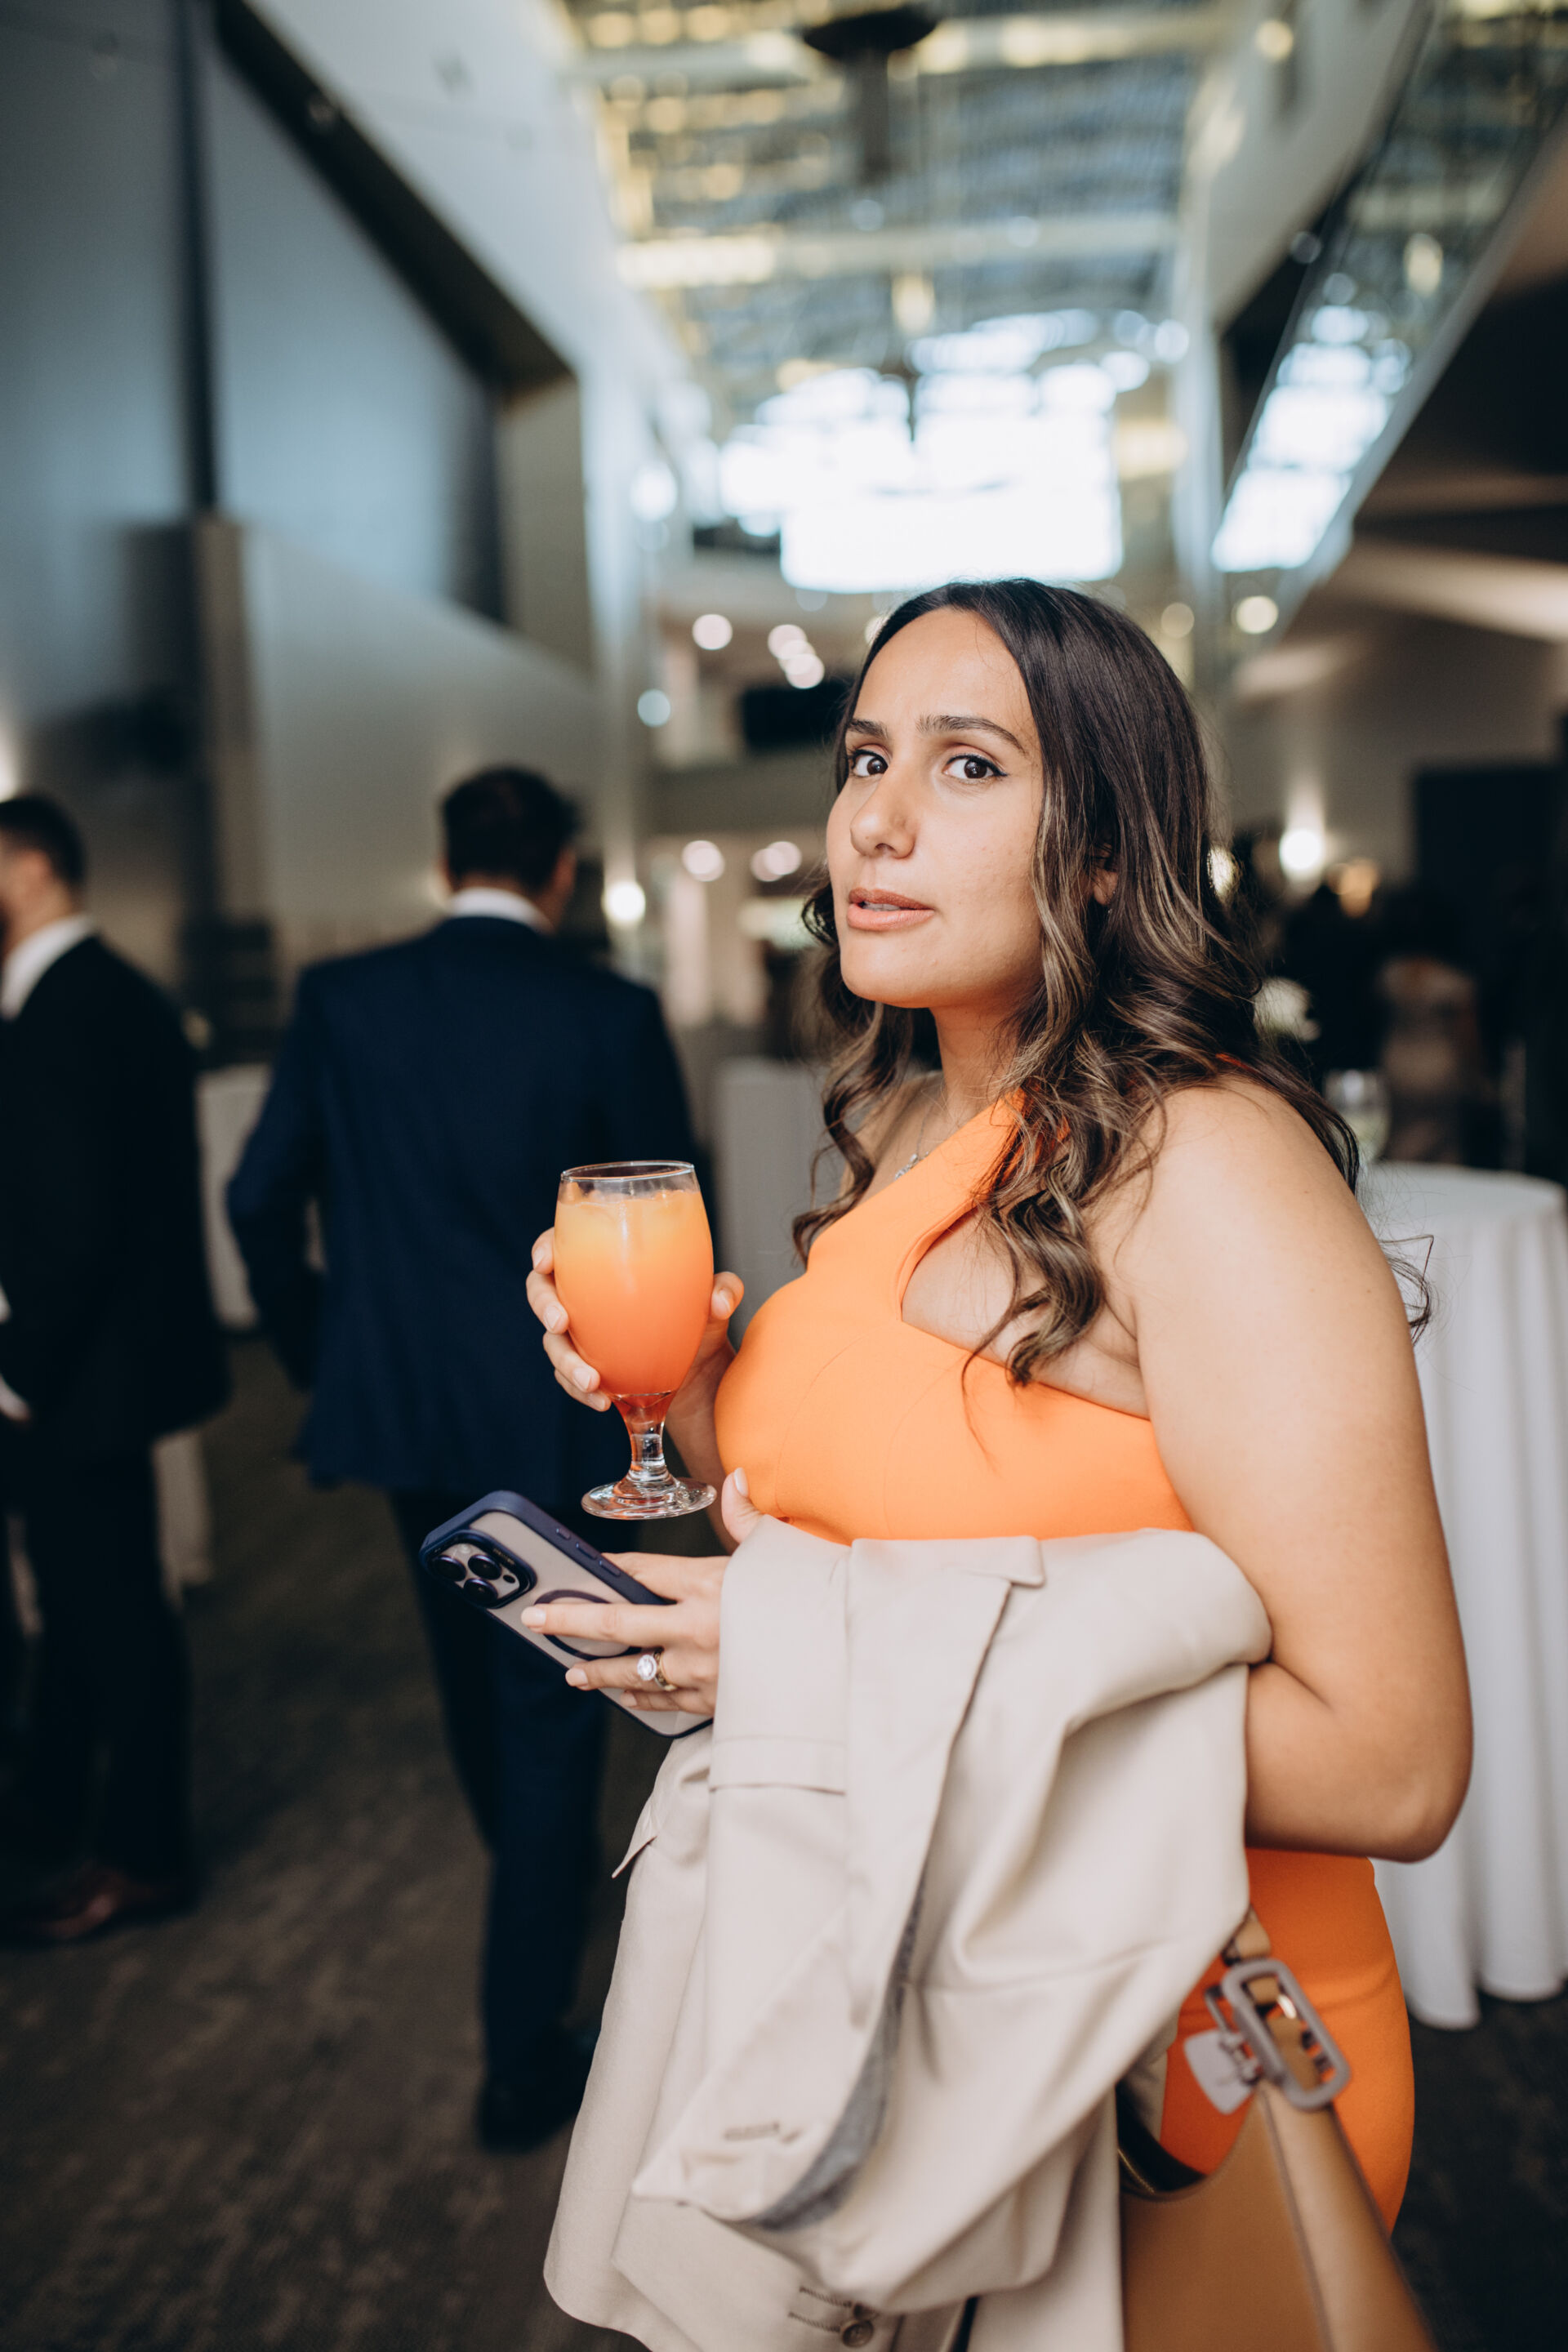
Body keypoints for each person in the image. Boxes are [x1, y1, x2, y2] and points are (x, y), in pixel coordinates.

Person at [525, 582, 1471, 2230]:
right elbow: (870, 1512)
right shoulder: (903, 1128)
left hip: (1163, 2063)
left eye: (969, 767)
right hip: (922, 2008)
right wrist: (681, 1396)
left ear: (1104, 851)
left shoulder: (1206, 1166)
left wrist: (818, 1666)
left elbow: (1393, 1764)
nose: (877, 823)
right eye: (865, 758)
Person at [227, 764, 698, 2151]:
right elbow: (666, 1229)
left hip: (402, 1416)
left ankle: (532, 1894)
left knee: (474, 1679)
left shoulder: (343, 999)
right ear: (561, 872)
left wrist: (323, 1353)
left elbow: (257, 1197)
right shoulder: (606, 1011)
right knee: (552, 1706)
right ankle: (520, 2060)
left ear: (447, 866)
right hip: (563, 1418)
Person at [0, 794, 229, 1940]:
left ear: (35, 865)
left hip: (77, 1371)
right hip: (111, 1362)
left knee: (116, 1613)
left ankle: (144, 1854)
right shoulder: (109, 990)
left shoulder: (64, 1006)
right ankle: (52, 1805)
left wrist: (17, 1374)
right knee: (89, 1600)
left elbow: (73, 1222)